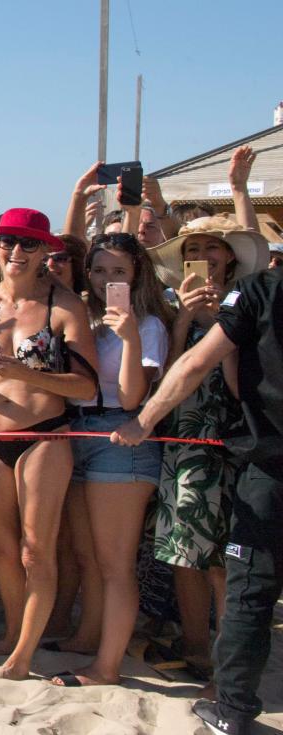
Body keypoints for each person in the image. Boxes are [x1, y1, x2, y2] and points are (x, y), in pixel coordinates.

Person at [112, 264, 279, 735]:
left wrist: (143, 422)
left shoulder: (259, 289)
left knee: (249, 589)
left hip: (266, 461)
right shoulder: (257, 291)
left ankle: (232, 709)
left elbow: (197, 362)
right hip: (258, 458)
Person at [0, 208, 97, 680]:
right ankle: (14, 632)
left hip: (43, 436)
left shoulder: (65, 306)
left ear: (45, 250)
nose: (15, 251)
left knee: (36, 550)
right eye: (7, 241)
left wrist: (23, 372)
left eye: (28, 243)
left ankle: (24, 654)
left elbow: (87, 388)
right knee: (1, 548)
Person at [144, 210, 267, 685]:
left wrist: (225, 327)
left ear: (230, 257)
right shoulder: (176, 306)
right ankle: (196, 647)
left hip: (235, 442)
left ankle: (225, 657)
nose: (200, 259)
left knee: (224, 560)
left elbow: (245, 388)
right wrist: (185, 323)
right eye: (192, 251)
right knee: (183, 553)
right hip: (183, 441)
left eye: (210, 249)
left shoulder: (251, 303)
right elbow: (166, 378)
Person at [48, 233, 171, 687]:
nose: (107, 280)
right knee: (86, 556)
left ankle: (107, 667)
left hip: (123, 435)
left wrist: (131, 337)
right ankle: (87, 639)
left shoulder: (149, 324)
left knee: (115, 562)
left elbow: (137, 396)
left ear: (136, 272)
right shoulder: (84, 317)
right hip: (79, 431)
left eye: (118, 271)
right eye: (99, 270)